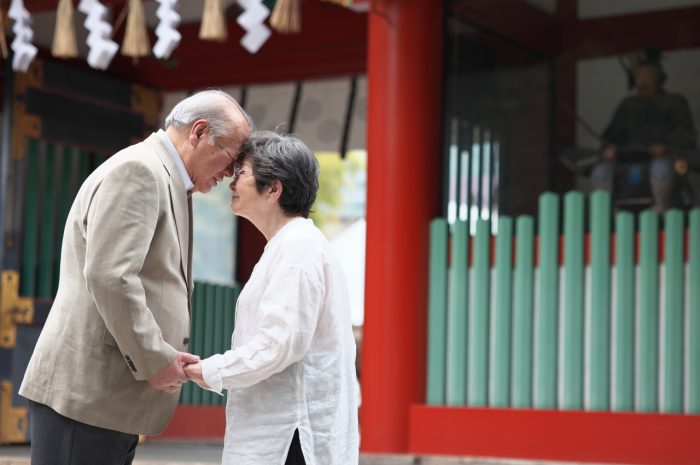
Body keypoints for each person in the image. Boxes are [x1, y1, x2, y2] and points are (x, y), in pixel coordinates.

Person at [19, 90, 251, 465]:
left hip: (108, 398)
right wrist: (154, 359)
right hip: (88, 396)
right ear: (199, 132)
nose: (229, 174)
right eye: (230, 157)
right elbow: (111, 276)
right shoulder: (140, 171)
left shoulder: (166, 178)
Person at [184, 131, 359, 465]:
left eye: (243, 174)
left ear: (274, 189)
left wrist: (206, 369)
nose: (232, 183)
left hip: (290, 436)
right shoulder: (291, 244)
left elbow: (278, 346)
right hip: (287, 432)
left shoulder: (296, 249)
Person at [591, 54, 697, 212]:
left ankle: (660, 211)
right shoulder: (627, 105)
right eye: (639, 75)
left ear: (659, 78)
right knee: (600, 171)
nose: (643, 79)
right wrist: (610, 148)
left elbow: (684, 133)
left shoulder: (674, 101)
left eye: (648, 75)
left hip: (662, 157)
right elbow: (613, 134)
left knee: (661, 168)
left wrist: (665, 149)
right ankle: (606, 213)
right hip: (625, 161)